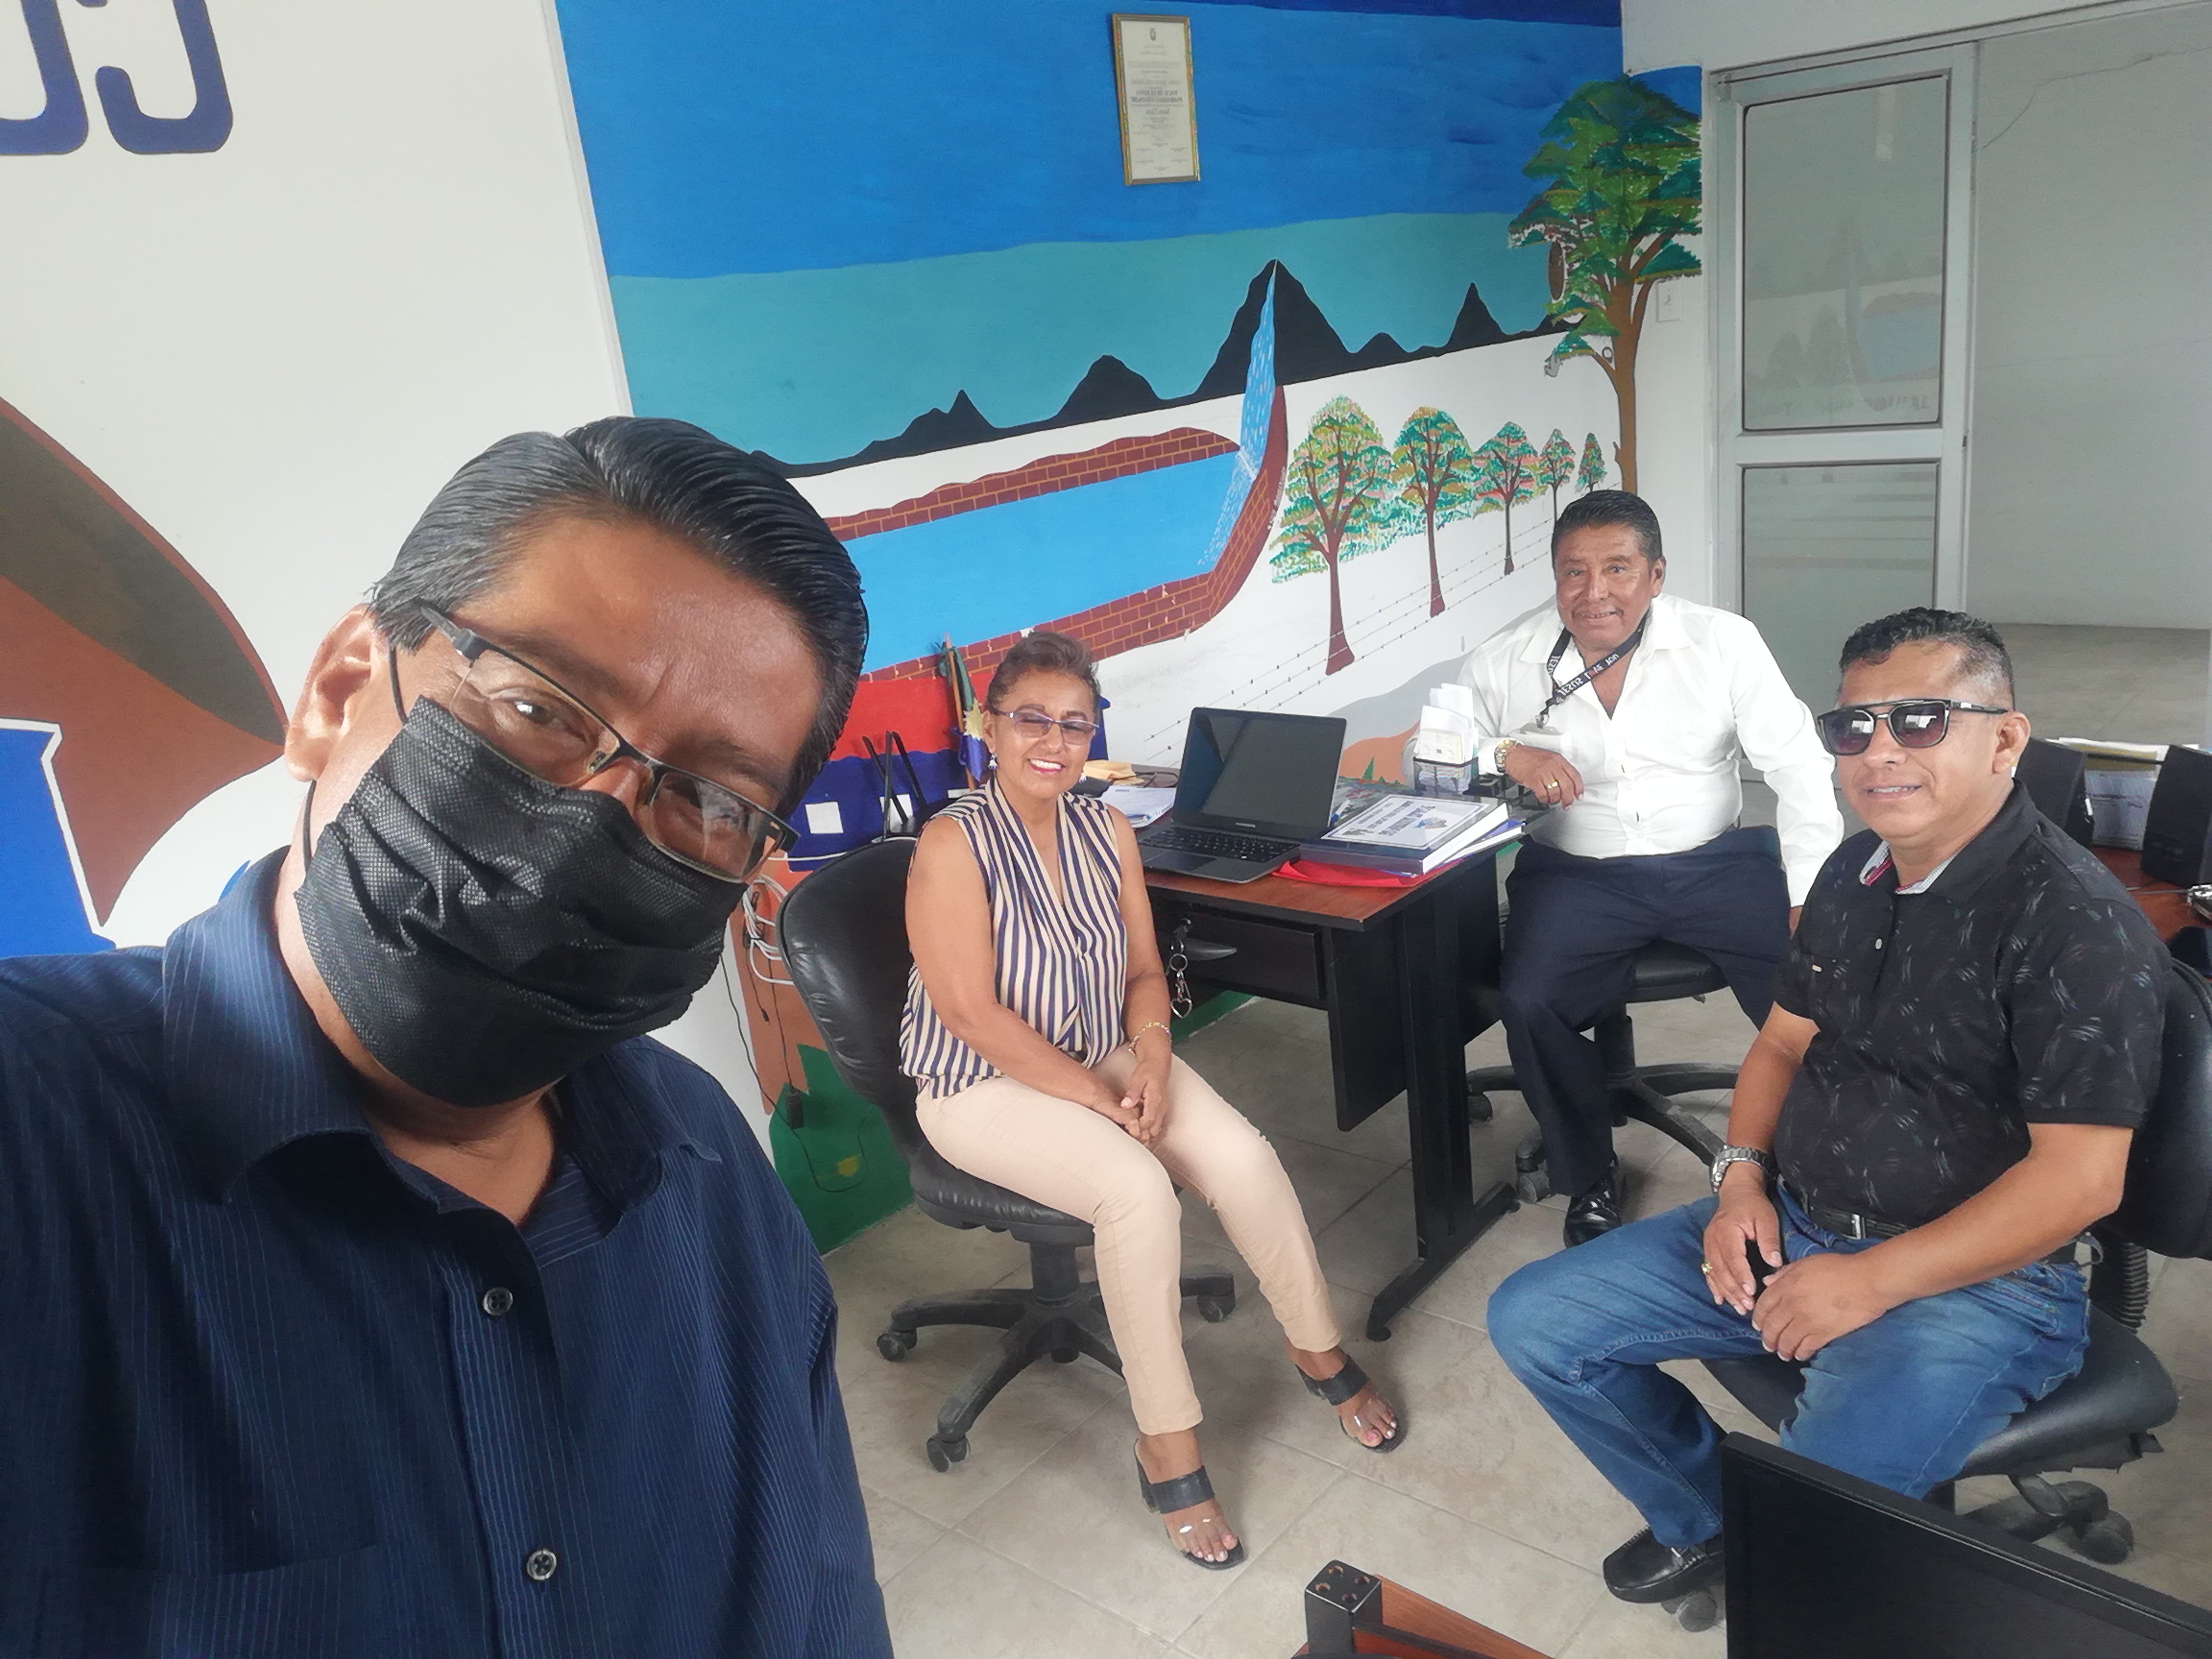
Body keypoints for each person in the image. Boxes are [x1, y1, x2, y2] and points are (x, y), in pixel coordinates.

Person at [0, 418, 892, 1658]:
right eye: (536, 707)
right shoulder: (33, 1137)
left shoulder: (709, 1171)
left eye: (707, 798)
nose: (589, 826)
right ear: (338, 691)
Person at [1487, 608, 2167, 1613]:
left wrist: (1868, 1281)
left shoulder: (2074, 925)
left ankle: (1786, 1543)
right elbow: (1779, 1044)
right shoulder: (1855, 873)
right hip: (1795, 1219)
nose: (1880, 752)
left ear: (2005, 740)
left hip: (1981, 1285)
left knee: (1805, 1527)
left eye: (1922, 720)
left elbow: (2081, 1181)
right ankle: (1708, 1521)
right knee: (1537, 1320)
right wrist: (1740, 1183)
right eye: (1854, 727)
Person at [902, 629, 1401, 1571]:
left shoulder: (1109, 831)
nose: (1053, 741)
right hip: (980, 1084)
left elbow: (1141, 970)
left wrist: (1156, 1059)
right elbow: (970, 1014)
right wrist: (1100, 1100)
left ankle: (1315, 1348)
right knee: (1136, 1192)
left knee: (1243, 1157)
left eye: (1074, 724)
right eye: (1031, 719)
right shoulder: (953, 842)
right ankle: (1167, 1441)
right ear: (989, 726)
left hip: (1108, 1050)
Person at [1441, 489, 1842, 1245]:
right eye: (1574, 572)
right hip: (1577, 872)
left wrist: (1811, 895)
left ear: (1656, 575)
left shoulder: (1720, 643)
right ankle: (1588, 1172)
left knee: (1818, 986)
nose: (1595, 592)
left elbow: (1798, 766)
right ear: (1555, 578)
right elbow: (1428, 750)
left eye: (1618, 569)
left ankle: (1821, 1160)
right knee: (1530, 1000)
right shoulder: (1507, 658)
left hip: (1716, 861)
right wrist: (1505, 753)